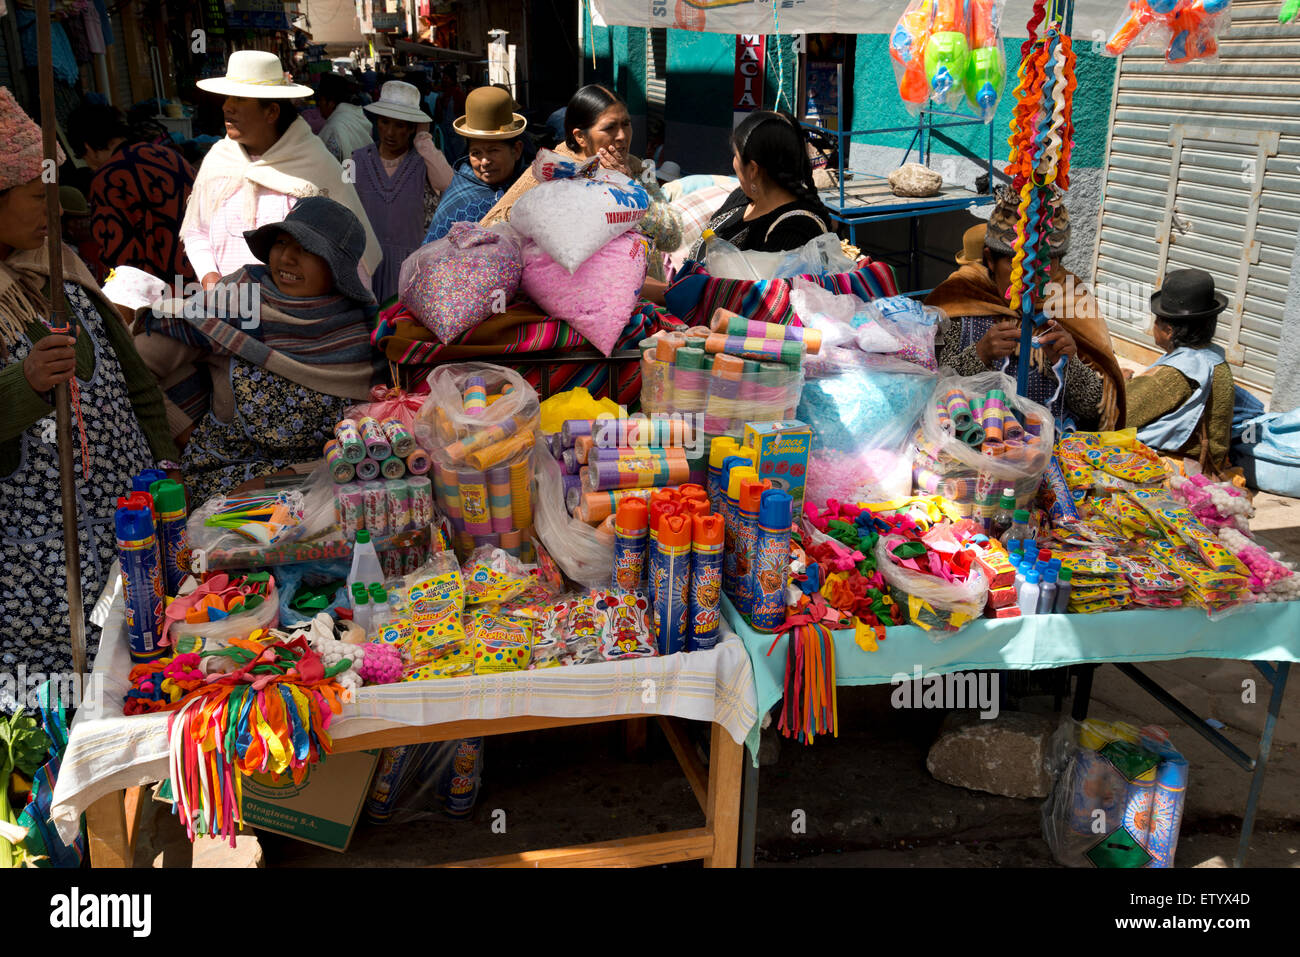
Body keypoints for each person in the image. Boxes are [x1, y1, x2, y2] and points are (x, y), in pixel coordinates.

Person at [0, 88, 179, 711]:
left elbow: (136, 386)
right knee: (60, 710)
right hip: (36, 569)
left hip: (127, 529)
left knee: (140, 680)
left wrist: (164, 469)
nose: (55, 206)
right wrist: (22, 387)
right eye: (34, 194)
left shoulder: (59, 268)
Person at [135, 198, 381, 506]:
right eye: (281, 243)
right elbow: (137, 365)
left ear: (336, 268)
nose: (286, 258)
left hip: (324, 491)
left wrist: (280, 480)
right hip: (217, 491)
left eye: (306, 249)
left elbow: (371, 437)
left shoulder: (362, 331)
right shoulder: (238, 300)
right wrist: (180, 429)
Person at [927, 189, 1127, 431]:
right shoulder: (959, 298)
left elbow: (1096, 410)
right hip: (979, 447)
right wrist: (980, 354)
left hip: (1052, 451)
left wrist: (1067, 364)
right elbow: (931, 391)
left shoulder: (1071, 301)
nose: (1034, 278)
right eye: (1020, 265)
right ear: (990, 259)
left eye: (1047, 264)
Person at [181, 50, 380, 291]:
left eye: (240, 99)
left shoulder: (316, 167)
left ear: (271, 112)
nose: (227, 107)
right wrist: (211, 280)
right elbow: (196, 231)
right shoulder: (218, 163)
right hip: (228, 313)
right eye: (228, 98)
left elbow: (347, 252)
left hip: (297, 321)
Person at [482, 83, 682, 286]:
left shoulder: (635, 168)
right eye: (610, 127)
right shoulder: (550, 170)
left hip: (644, 294)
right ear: (580, 137)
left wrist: (630, 188)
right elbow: (489, 229)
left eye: (626, 124)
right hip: (574, 297)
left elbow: (670, 236)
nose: (622, 135)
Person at [65, 101, 197, 282]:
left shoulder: (108, 178)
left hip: (163, 295)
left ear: (87, 147)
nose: (89, 165)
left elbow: (118, 257)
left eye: (84, 157)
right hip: (205, 276)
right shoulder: (169, 155)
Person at [352, 81, 454, 304]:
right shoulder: (356, 160)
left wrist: (424, 140)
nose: (390, 132)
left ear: (411, 128)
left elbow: (448, 182)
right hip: (367, 267)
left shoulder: (423, 163)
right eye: (385, 122)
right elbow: (342, 206)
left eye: (400, 125)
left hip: (410, 271)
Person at [1125, 268, 1235, 474]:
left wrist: (1120, 383)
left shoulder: (1178, 372)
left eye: (1157, 320)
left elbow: (1121, 413)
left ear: (1169, 331)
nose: (1154, 326)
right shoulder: (1215, 359)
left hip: (1182, 471)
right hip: (1211, 464)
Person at [684, 110, 829, 262]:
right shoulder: (741, 197)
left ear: (753, 169)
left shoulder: (795, 230)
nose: (733, 162)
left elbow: (763, 285)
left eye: (736, 155)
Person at [421, 85, 528, 244]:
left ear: (517, 150)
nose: (484, 162)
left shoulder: (531, 186)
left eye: (493, 150)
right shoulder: (460, 201)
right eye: (476, 153)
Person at [316, 72, 374, 162]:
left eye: (320, 100)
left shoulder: (333, 129)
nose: (319, 106)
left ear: (330, 103)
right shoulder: (357, 116)